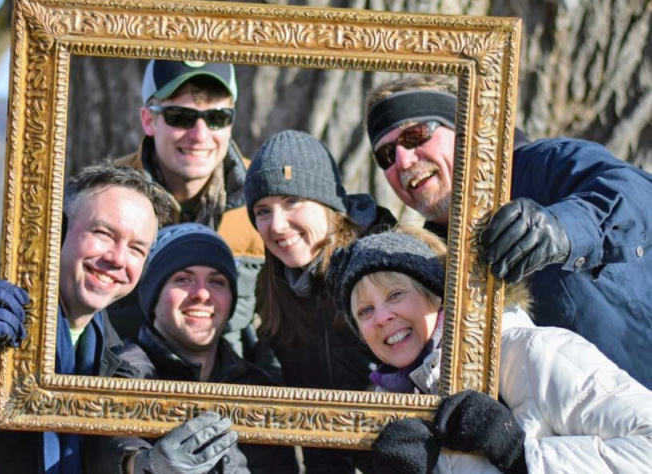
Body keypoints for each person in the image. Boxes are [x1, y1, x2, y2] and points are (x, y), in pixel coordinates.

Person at [364, 75, 652, 389]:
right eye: (386, 155)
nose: (403, 160)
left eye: (415, 135)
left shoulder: (542, 164)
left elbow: (637, 194)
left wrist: (562, 228)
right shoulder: (429, 258)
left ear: (463, 127)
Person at [0, 162, 174, 473]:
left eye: (136, 248)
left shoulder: (112, 351)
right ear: (58, 230)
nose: (117, 258)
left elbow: (105, 446)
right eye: (103, 233)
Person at [327, 226, 652, 474]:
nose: (382, 317)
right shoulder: (388, 412)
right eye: (365, 311)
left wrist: (520, 457)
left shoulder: (531, 353)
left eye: (395, 295)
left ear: (438, 294)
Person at [243, 130, 396, 473]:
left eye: (292, 202)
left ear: (328, 203)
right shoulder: (275, 287)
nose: (277, 225)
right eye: (263, 211)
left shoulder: (384, 268)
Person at [102, 223, 298, 474]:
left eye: (217, 282)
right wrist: (143, 464)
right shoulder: (118, 375)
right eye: (183, 279)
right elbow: (99, 453)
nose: (202, 294)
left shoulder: (260, 388)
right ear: (152, 295)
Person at [113, 59, 264, 360]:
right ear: (148, 120)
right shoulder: (106, 197)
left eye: (217, 117)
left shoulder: (265, 199)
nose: (200, 135)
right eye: (180, 117)